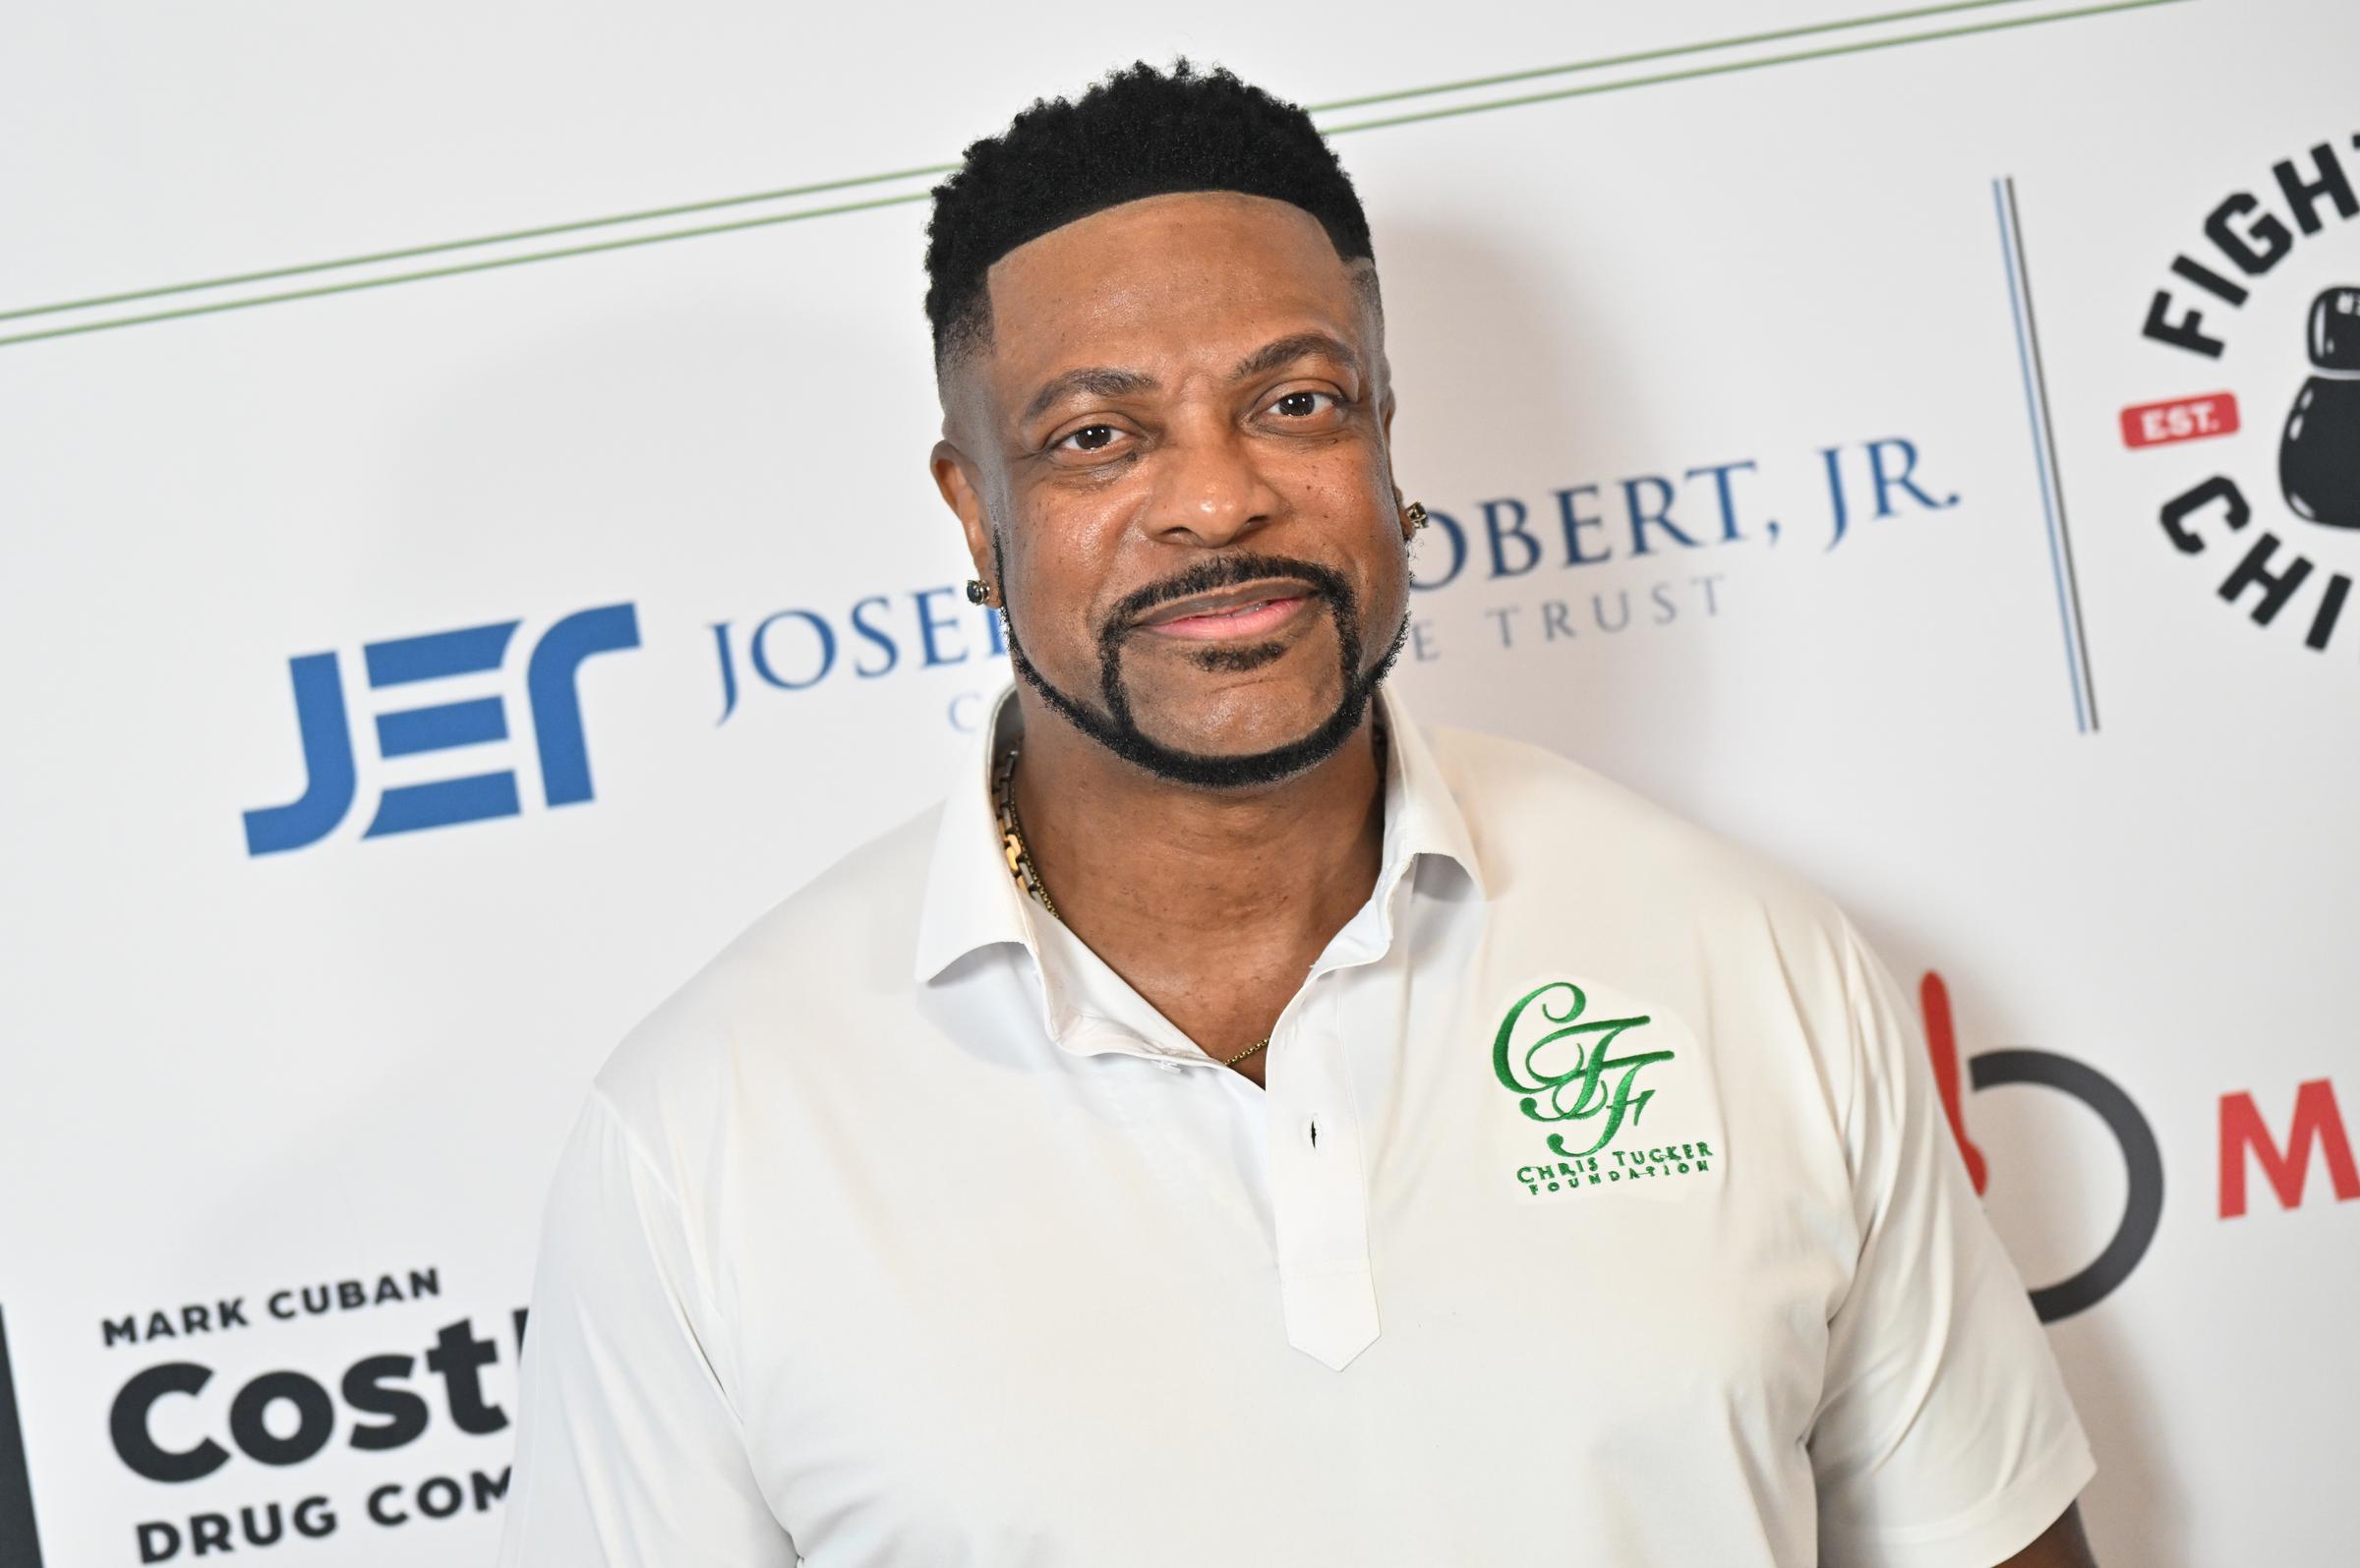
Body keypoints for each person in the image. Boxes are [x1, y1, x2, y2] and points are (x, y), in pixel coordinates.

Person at [498, 61, 2099, 1568]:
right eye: (1098, 437)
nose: (1217, 496)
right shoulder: (704, 1141)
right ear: (974, 514)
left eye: (1296, 404)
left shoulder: (1752, 963)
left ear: (1389, 435)